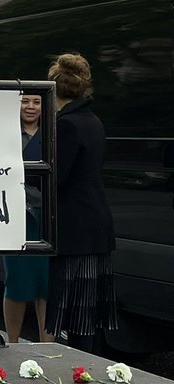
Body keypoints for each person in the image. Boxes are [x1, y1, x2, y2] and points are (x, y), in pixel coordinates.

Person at [45, 53, 116, 353]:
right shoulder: (92, 120)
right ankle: (89, 370)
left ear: (54, 88)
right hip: (96, 225)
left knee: (76, 311)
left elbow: (57, 177)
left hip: (75, 228)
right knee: (88, 313)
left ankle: (81, 373)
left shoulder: (68, 125)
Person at [2, 93, 51, 343]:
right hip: (16, 217)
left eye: (36, 102)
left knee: (47, 284)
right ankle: (13, 342)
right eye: (25, 101)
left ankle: (47, 349)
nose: (30, 107)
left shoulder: (53, 133)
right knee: (17, 283)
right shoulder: (4, 134)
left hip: (47, 216)